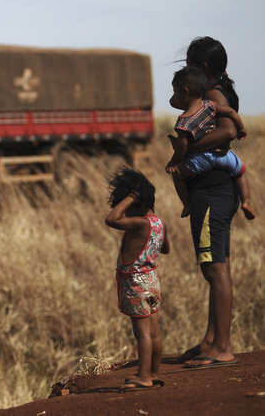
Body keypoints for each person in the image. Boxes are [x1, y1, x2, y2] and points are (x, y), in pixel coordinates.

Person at [175, 36, 241, 368]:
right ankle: (211, 340)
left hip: (211, 191)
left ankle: (222, 347)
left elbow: (228, 132)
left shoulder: (214, 95)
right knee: (216, 265)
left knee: (215, 268)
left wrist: (187, 146)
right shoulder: (222, 92)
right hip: (220, 189)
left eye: (188, 66)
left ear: (201, 68)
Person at [105, 168, 170, 388]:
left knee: (142, 333)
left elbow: (111, 219)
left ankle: (143, 377)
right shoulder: (158, 223)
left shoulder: (139, 224)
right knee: (154, 331)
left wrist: (131, 196)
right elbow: (166, 248)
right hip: (152, 280)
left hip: (136, 284)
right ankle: (153, 372)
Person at [165, 65, 254, 220]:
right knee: (240, 172)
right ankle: (246, 202)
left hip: (200, 160)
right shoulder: (210, 105)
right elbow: (231, 112)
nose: (173, 97)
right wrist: (241, 129)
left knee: (177, 176)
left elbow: (183, 148)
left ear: (184, 92)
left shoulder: (183, 123)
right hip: (223, 155)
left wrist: (174, 162)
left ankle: (186, 204)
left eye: (175, 92)